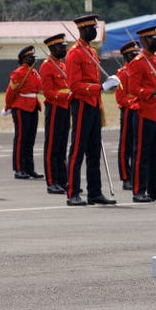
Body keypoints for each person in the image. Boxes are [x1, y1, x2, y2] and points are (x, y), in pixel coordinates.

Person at [65, 14, 118, 206]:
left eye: (95, 28)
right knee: (77, 150)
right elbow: (74, 85)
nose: (94, 31)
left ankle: (94, 192)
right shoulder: (75, 53)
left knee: (94, 151)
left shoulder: (91, 52)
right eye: (91, 28)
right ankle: (72, 192)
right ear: (82, 30)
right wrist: (101, 88)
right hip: (81, 104)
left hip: (94, 104)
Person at [127, 25, 156, 202]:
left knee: (155, 152)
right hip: (144, 111)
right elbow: (133, 88)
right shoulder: (138, 62)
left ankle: (154, 189)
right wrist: (153, 92)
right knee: (141, 153)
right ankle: (139, 190)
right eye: (152, 38)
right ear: (144, 41)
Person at [5, 45, 43, 180]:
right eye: (30, 56)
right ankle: (19, 168)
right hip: (21, 106)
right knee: (21, 138)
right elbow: (11, 91)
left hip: (32, 105)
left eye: (33, 56)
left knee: (30, 139)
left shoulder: (34, 72)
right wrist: (7, 106)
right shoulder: (19, 72)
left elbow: (38, 87)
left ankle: (29, 168)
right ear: (24, 58)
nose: (33, 58)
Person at [40, 33, 71, 194]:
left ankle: (63, 179)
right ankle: (52, 181)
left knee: (61, 146)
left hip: (65, 108)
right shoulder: (47, 66)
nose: (64, 49)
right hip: (55, 108)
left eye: (65, 46)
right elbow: (48, 92)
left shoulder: (63, 65)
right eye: (61, 46)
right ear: (52, 48)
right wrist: (66, 95)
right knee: (52, 147)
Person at [115, 40, 139, 190]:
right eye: (133, 54)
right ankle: (125, 177)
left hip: (139, 109)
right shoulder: (122, 73)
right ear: (126, 56)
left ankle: (136, 175)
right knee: (126, 145)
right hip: (129, 110)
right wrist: (132, 104)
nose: (136, 56)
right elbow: (120, 98)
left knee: (137, 144)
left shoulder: (138, 70)